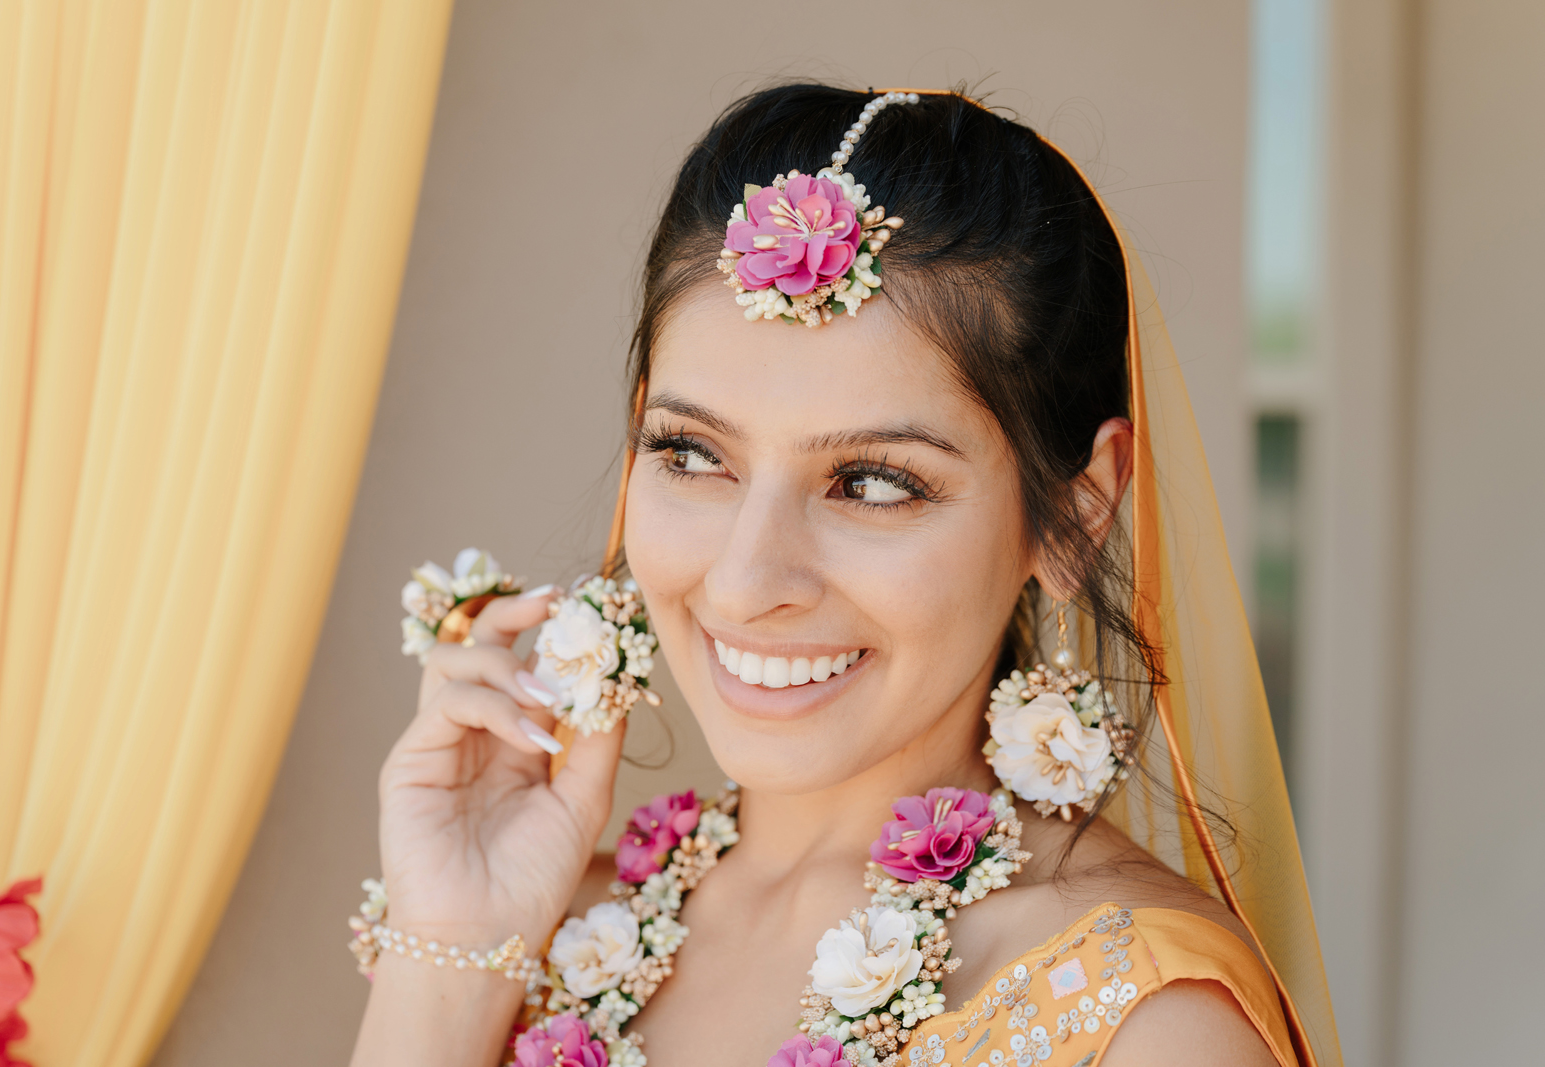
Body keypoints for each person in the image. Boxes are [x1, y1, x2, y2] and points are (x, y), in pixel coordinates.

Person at [349, 85, 1340, 1067]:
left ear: (1076, 515)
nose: (744, 582)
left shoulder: (1137, 1025)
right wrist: (447, 957)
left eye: (870, 481)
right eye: (694, 454)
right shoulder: (539, 935)